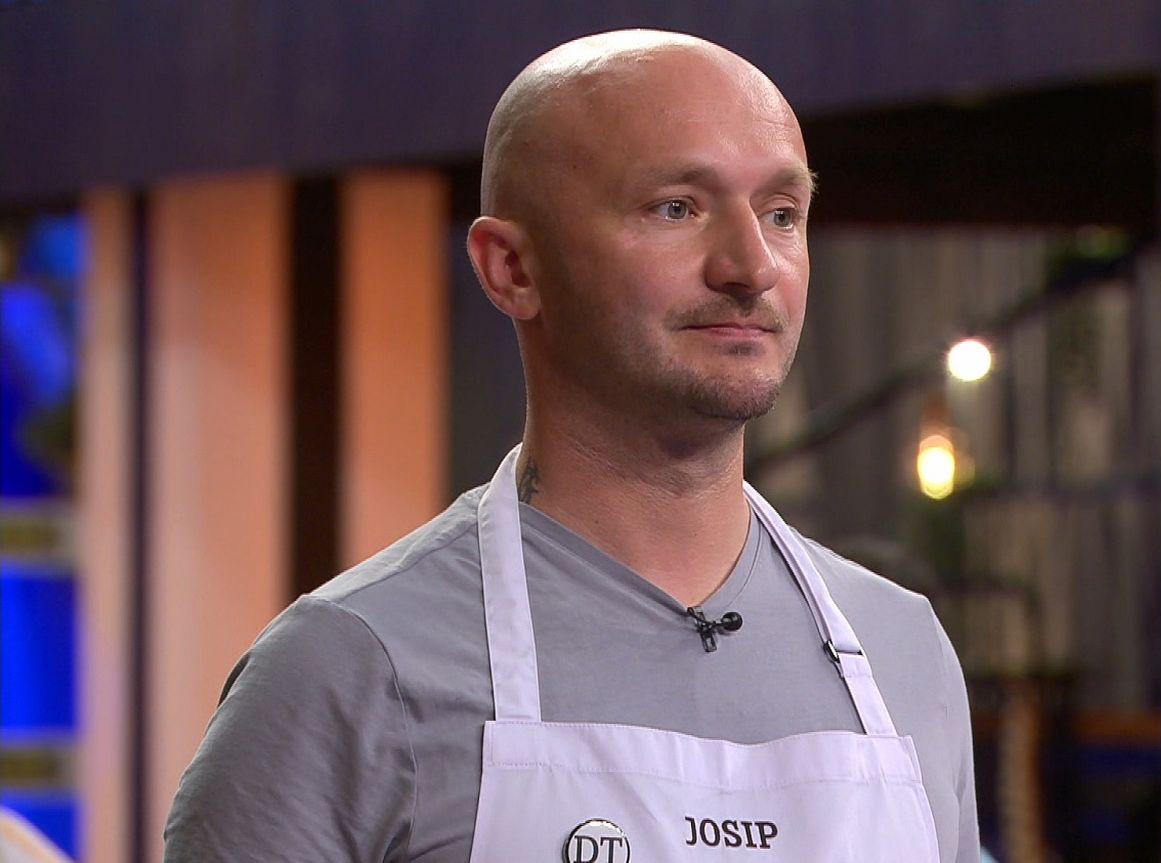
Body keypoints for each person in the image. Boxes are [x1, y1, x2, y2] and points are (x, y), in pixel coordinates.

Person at [164, 29, 979, 862]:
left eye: (781, 214)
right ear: (512, 268)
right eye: (676, 207)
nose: (752, 266)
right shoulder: (350, 668)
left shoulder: (901, 649)